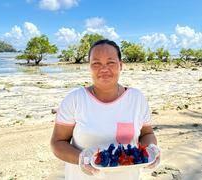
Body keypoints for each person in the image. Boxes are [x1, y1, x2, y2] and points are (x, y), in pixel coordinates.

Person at [50, 39, 160, 180]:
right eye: (96, 63)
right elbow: (57, 143)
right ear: (89, 67)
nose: (104, 69)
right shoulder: (75, 99)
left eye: (111, 62)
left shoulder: (137, 99)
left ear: (121, 65)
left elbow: (147, 134)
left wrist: (150, 150)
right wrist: (82, 158)